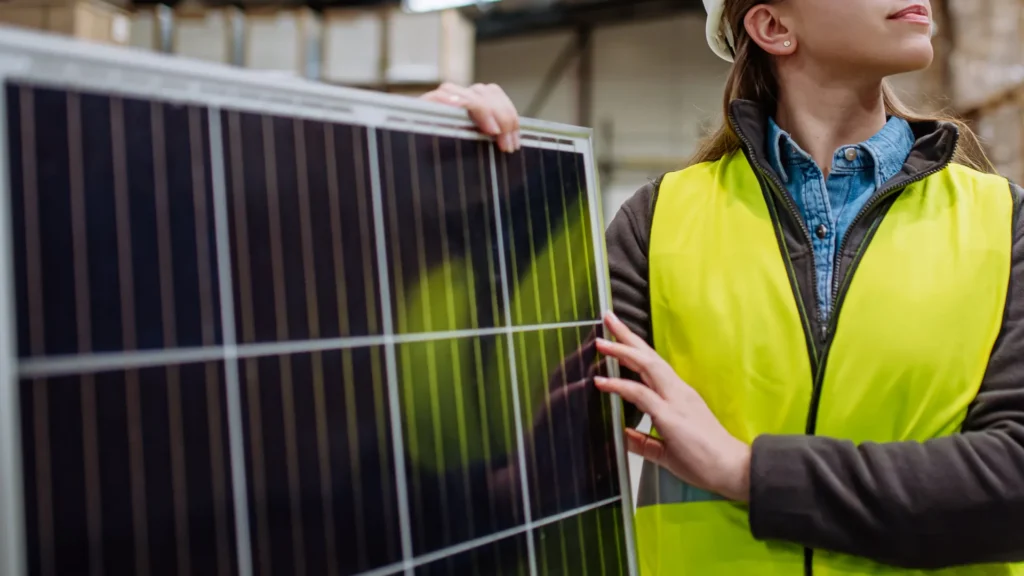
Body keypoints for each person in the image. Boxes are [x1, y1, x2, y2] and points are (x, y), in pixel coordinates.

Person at [424, 0, 1024, 573]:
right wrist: (444, 193)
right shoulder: (659, 222)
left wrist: (748, 472)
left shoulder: (1003, 220)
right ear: (771, 25)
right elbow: (530, 464)